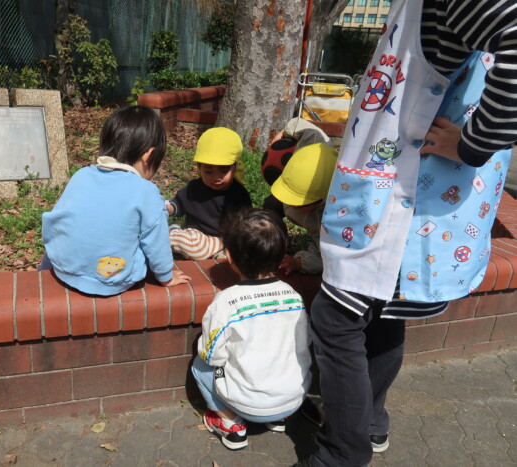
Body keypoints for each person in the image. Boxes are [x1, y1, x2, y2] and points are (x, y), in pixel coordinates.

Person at [296, 1, 517, 466]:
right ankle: (369, 422)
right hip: (402, 197)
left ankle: (341, 454)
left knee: (336, 321)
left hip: (398, 199)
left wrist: (472, 144)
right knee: (383, 313)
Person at [192, 207, 313, 450]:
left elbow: (212, 356)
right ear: (280, 256)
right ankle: (279, 419)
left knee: (199, 366)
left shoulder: (226, 302)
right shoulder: (293, 295)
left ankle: (231, 424)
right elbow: (306, 341)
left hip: (249, 405)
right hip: (294, 399)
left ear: (229, 256)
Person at [39, 105, 190, 296]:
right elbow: (156, 243)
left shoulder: (81, 175)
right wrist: (166, 276)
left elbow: (61, 220)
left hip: (64, 268)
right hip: (112, 279)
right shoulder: (146, 191)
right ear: (149, 156)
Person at [262, 119, 338, 275]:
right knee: (271, 205)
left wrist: (299, 262)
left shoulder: (327, 223)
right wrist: (285, 132)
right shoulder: (314, 147)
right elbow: (308, 129)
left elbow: (325, 257)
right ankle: (275, 242)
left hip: (314, 218)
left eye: (299, 203)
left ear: (323, 202)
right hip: (296, 192)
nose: (290, 203)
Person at [166, 127, 252, 260]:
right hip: (194, 237)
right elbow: (179, 203)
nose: (216, 177)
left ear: (235, 168)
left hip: (222, 241)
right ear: (199, 168)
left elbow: (243, 225)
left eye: (224, 171)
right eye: (208, 172)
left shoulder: (239, 194)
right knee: (193, 246)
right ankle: (172, 232)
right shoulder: (195, 187)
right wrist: (170, 208)